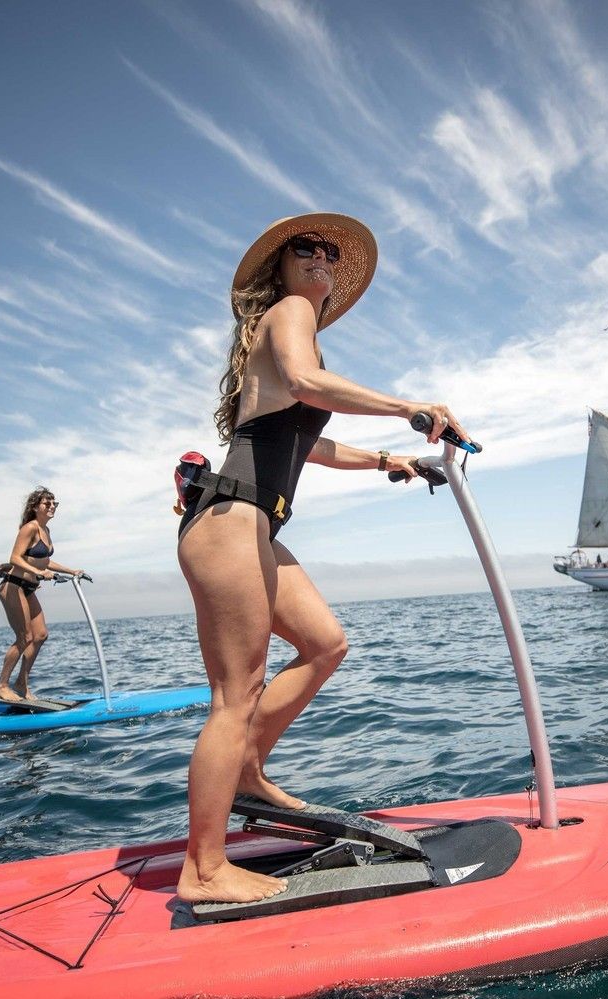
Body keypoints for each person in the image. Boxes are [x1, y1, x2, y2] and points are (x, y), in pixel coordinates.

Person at [175, 213, 469, 905]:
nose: (321, 259)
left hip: (253, 526)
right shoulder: (290, 313)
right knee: (235, 696)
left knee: (324, 643)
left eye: (330, 253)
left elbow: (308, 442)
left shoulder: (294, 333)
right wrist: (408, 407)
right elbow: (307, 384)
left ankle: (247, 770)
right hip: (230, 521)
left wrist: (385, 461)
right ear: (280, 268)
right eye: (306, 248)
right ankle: (204, 869)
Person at [0, 487, 87, 704]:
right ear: (35, 507)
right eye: (47, 503)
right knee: (24, 637)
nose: (52, 506)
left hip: (28, 588)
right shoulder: (30, 528)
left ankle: (21, 684)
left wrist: (71, 571)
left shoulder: (46, 530)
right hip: (13, 586)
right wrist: (39, 573)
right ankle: (1, 687)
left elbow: (44, 561)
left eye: (55, 503)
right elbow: (15, 558)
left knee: (41, 635)